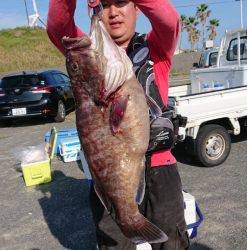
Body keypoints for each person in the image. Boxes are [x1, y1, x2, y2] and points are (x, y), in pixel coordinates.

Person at [47, 0, 189, 249]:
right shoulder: (88, 53)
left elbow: (168, 18)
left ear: (137, 9)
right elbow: (58, 27)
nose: (113, 12)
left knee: (173, 245)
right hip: (111, 181)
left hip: (160, 169)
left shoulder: (157, 49)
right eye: (105, 4)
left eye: (122, 2)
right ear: (95, 12)